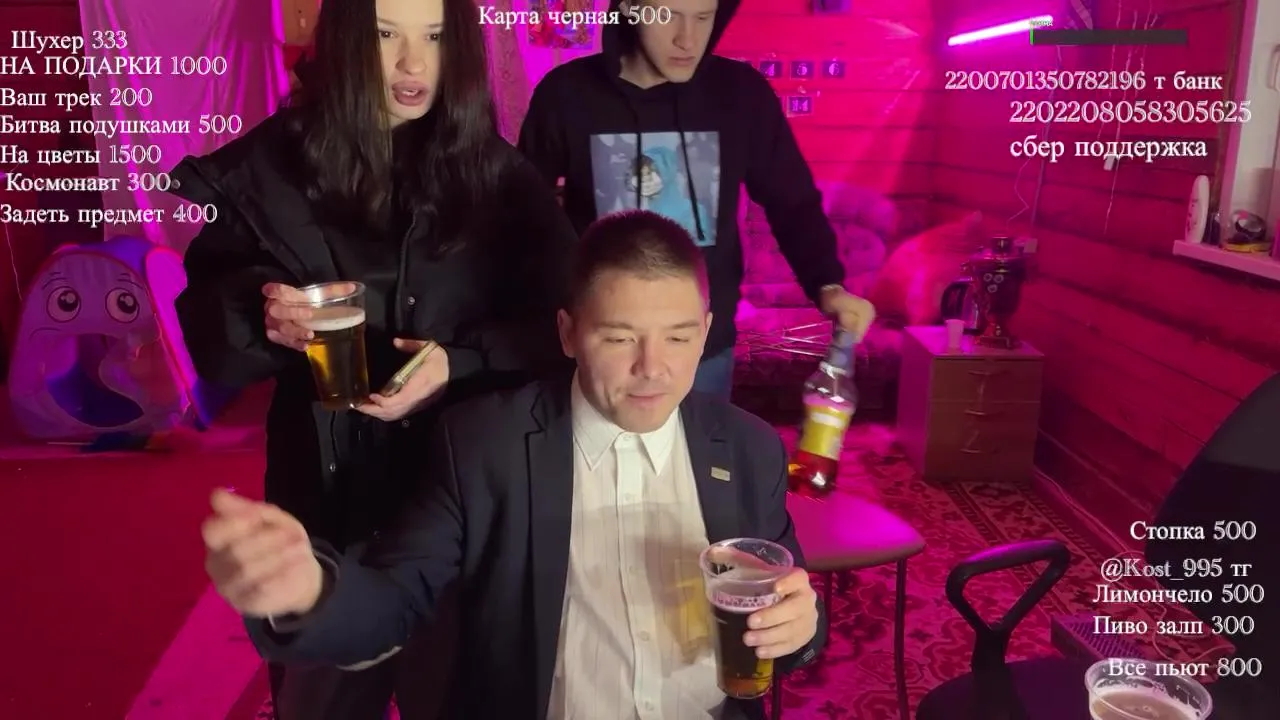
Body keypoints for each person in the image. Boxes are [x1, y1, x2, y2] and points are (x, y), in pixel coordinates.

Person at [201, 210, 827, 720]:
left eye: (679, 337)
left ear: (707, 331)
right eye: (619, 338)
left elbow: (786, 605)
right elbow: (396, 599)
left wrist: (800, 628)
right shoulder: (484, 445)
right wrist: (312, 590)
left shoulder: (748, 448)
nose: (653, 368)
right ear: (568, 333)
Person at [170, 0, 575, 717]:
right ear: (350, 38)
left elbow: (564, 331)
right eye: (387, 34)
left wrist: (460, 362)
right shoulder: (270, 169)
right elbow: (210, 346)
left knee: (456, 695)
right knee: (323, 694)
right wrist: (264, 318)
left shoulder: (500, 180)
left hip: (457, 504)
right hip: (324, 501)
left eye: (434, 37)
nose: (413, 64)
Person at [517, 0, 875, 400]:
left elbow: (792, 203)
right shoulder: (566, 94)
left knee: (700, 444)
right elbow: (521, 215)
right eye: (669, 16)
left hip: (701, 351)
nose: (688, 39)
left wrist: (827, 284)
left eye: (703, 17)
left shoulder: (742, 96)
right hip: (604, 345)